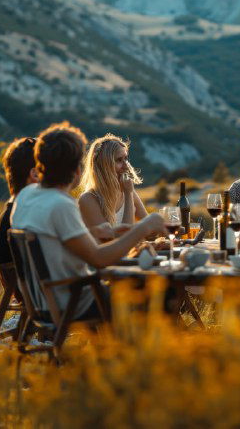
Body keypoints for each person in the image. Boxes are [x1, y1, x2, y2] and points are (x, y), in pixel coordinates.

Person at [11, 122, 167, 320]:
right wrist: (145, 226)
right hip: (74, 301)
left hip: (42, 301)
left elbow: (53, 240)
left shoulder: (26, 196)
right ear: (76, 169)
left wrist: (94, 233)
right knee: (160, 292)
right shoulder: (61, 205)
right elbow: (99, 259)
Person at [0, 137, 118, 243]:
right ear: (35, 174)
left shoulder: (16, 211)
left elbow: (54, 242)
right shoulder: (49, 210)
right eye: (52, 166)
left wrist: (92, 233)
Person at [78, 134, 147, 229]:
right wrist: (128, 194)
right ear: (104, 165)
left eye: (126, 159)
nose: (126, 166)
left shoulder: (127, 192)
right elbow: (125, 235)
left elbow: (150, 229)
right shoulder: (89, 199)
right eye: (119, 160)